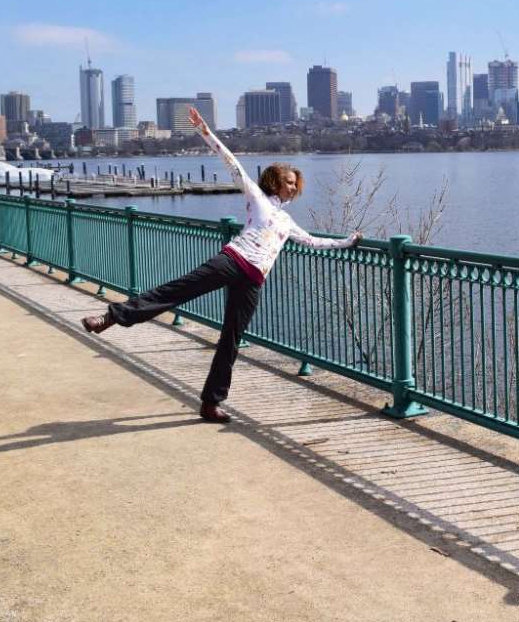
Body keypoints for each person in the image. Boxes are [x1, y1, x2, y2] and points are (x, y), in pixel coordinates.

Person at [81, 106, 360, 423]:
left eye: (296, 183)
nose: (293, 187)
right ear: (274, 181)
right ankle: (111, 317)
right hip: (232, 260)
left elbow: (312, 241)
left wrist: (347, 242)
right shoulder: (257, 198)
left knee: (231, 339)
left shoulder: (286, 220)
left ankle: (211, 403)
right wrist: (204, 130)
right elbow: (231, 161)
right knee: (177, 291)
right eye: (288, 181)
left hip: (253, 281)